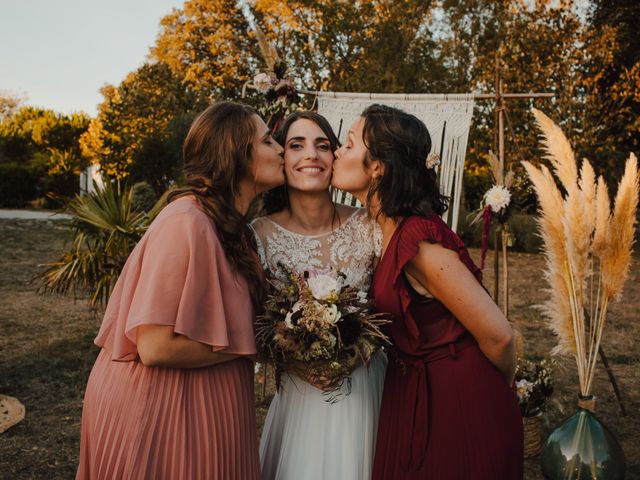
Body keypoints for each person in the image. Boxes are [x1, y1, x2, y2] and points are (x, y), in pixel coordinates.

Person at [76, 101, 285, 480]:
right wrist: (260, 343)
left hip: (209, 401)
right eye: (269, 140)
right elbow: (155, 347)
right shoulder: (186, 222)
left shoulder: (235, 229)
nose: (282, 150)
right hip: (160, 408)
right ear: (236, 154)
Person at [332, 104, 523, 479]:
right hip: (412, 393)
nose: (337, 151)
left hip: (457, 401)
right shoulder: (384, 233)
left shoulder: (418, 242)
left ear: (378, 167)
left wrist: (483, 393)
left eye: (350, 144)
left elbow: (499, 337)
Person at [250, 111, 386, 480]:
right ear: (282, 158)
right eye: (296, 145)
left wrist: (358, 353)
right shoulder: (259, 236)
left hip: (368, 389)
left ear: (335, 157)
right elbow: (251, 329)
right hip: (300, 398)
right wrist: (297, 362)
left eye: (322, 145)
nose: (311, 154)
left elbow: (393, 308)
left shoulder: (369, 225)